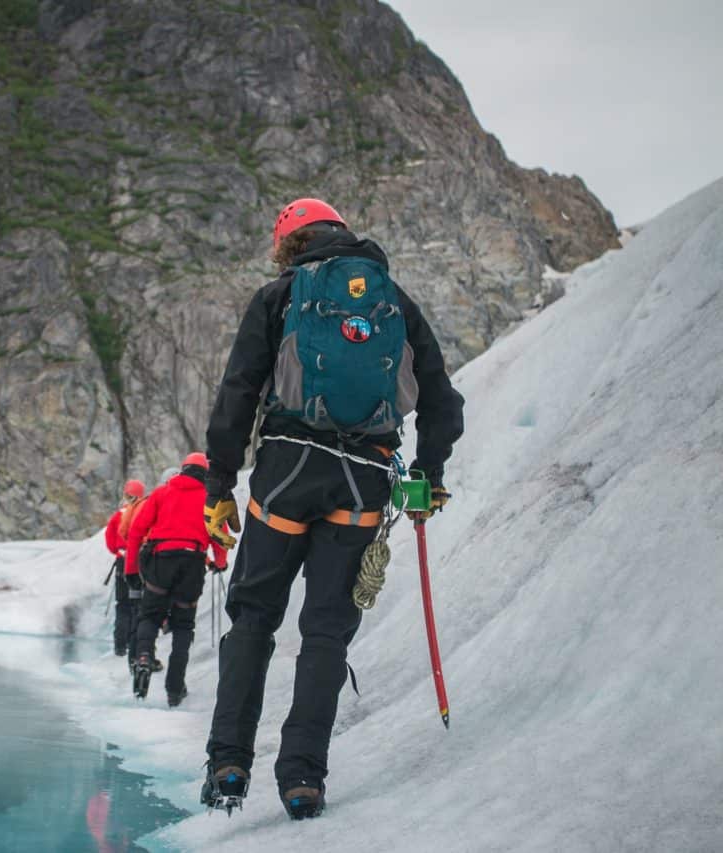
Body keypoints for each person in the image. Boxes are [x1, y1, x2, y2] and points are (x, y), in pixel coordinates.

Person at [199, 198, 465, 819]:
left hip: (287, 470)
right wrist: (429, 475)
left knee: (254, 619)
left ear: (290, 244)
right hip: (364, 478)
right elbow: (442, 401)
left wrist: (218, 485)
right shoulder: (392, 301)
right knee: (325, 633)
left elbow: (237, 393)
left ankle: (229, 764)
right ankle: (302, 780)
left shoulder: (278, 297)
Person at [126, 452, 228, 706]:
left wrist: (130, 570)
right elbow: (220, 536)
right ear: (205, 474)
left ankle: (143, 658)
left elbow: (137, 530)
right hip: (193, 564)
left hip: (161, 561)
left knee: (150, 616)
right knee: (183, 626)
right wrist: (220, 562)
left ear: (182, 470)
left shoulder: (162, 493)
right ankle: (175, 688)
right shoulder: (211, 499)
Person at [104, 480, 146, 656]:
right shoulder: (142, 511)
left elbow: (109, 540)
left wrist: (118, 551)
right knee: (137, 603)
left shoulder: (117, 516)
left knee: (122, 604)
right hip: (139, 562)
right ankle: (133, 642)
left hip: (122, 561)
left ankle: (119, 646)